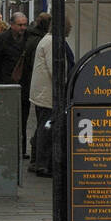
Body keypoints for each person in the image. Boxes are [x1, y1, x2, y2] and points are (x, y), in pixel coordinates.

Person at [29, 14, 74, 177]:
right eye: (69, 25)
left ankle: (37, 161)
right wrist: (63, 87)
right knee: (46, 128)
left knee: (43, 126)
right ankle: (42, 164)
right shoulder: (52, 42)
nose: (70, 28)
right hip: (48, 94)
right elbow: (56, 68)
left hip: (44, 93)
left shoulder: (49, 40)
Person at [21, 12, 49, 165]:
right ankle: (34, 156)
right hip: (33, 87)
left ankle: (29, 153)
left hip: (31, 87)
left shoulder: (32, 38)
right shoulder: (41, 40)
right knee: (41, 124)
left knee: (35, 122)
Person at [0, 12, 29, 84]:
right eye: (20, 25)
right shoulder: (2, 39)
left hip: (25, 82)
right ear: (12, 25)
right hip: (6, 81)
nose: (23, 28)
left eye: (25, 25)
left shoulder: (29, 37)